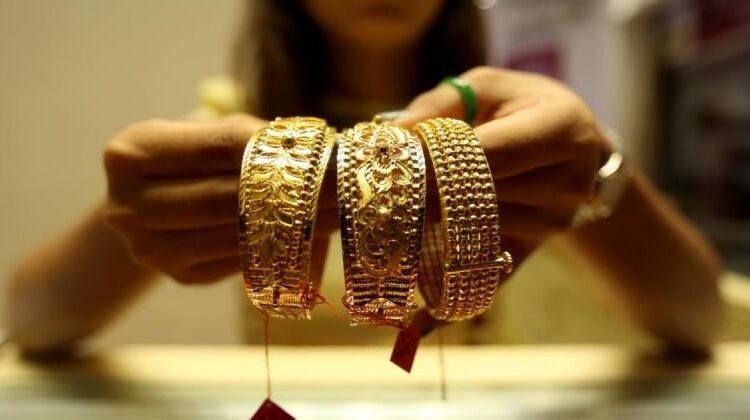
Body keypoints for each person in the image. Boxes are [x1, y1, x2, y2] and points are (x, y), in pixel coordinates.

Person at [5, 0, 722, 353]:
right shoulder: (231, 128)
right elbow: (30, 320)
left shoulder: (516, 130)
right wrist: (133, 221)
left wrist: (597, 169)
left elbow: (698, 318)